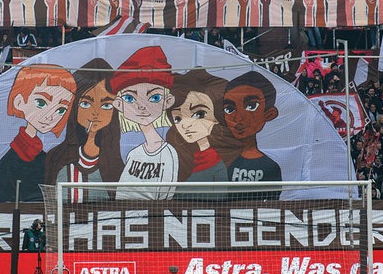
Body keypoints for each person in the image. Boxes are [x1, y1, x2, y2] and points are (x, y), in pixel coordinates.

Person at [45, 59, 124, 203]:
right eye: (86, 103)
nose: (95, 113)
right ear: (75, 107)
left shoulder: (117, 164)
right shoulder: (57, 158)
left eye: (106, 105)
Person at [0, 65, 76, 202]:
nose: (51, 116)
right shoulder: (6, 165)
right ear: (19, 101)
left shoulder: (47, 159)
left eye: (60, 110)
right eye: (41, 102)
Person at [111, 46, 178, 200]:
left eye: (154, 98)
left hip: (154, 217)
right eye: (130, 98)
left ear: (168, 102)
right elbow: (122, 193)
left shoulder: (168, 153)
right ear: (119, 104)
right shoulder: (134, 153)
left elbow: (167, 195)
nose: (142, 106)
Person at [166, 70, 241, 200]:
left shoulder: (216, 163)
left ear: (216, 118)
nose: (186, 125)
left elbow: (219, 199)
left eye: (199, 114)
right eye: (178, 118)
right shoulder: (176, 158)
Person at [223, 71, 282, 200]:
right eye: (229, 108)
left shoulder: (271, 167)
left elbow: (273, 204)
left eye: (251, 106)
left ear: (269, 114)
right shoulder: (220, 163)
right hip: (225, 218)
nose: (238, 117)